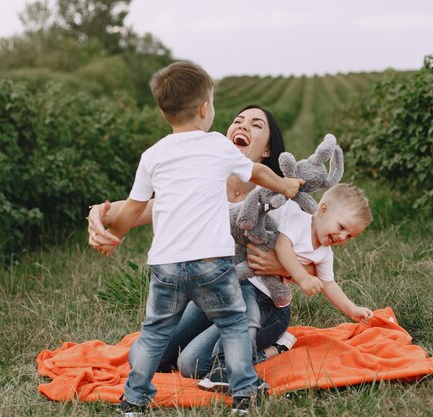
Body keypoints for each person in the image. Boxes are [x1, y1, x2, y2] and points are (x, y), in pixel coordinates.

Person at [95, 61, 303, 416]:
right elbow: (260, 173)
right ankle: (245, 392)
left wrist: (114, 235)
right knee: (234, 325)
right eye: (238, 119)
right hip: (213, 264)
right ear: (206, 110)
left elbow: (133, 207)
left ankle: (133, 402)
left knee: (155, 333)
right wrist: (286, 184)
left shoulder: (154, 155)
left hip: (168, 267)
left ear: (163, 112)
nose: (241, 126)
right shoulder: (217, 150)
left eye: (256, 125)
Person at [197, 183, 374, 391]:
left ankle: (229, 371)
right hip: (246, 282)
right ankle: (234, 366)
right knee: (242, 321)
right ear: (323, 210)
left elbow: (329, 284)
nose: (342, 237)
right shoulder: (299, 221)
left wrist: (351, 309)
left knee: (248, 320)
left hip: (269, 300)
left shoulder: (324, 254)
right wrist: (302, 277)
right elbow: (282, 247)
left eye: (350, 236)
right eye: (342, 227)